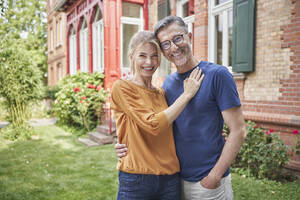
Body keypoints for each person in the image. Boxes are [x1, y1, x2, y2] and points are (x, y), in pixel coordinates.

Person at [115, 16, 247, 200]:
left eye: (177, 38)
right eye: (166, 44)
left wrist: (214, 176)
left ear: (189, 36)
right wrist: (125, 142)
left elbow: (238, 130)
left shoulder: (217, 75)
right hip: (175, 181)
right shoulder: (166, 85)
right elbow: (161, 125)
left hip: (207, 183)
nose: (174, 48)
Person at [111, 30, 204, 200]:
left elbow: (175, 126)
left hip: (170, 179)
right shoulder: (123, 88)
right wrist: (186, 95)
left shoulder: (161, 93)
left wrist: (209, 131)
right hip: (136, 179)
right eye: (142, 55)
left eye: (154, 56)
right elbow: (153, 125)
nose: (149, 62)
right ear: (132, 56)